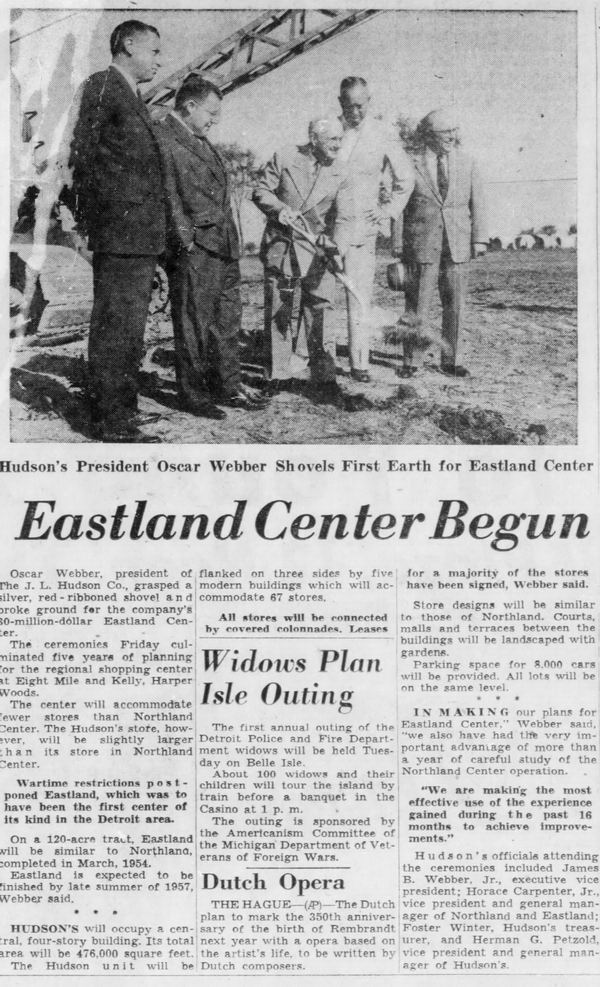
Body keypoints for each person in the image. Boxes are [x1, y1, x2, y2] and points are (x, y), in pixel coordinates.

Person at [70, 19, 166, 442]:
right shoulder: (104, 85)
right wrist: (97, 220)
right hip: (120, 231)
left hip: (137, 234)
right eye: (154, 51)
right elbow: (84, 155)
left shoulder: (129, 94)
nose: (158, 61)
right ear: (128, 44)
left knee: (130, 326)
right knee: (116, 326)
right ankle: (108, 421)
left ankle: (122, 411)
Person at [157, 75, 264, 418]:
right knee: (193, 324)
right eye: (211, 112)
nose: (215, 120)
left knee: (227, 321)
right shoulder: (164, 136)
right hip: (196, 246)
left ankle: (228, 385)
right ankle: (193, 394)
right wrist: (183, 241)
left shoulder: (201, 140)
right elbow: (168, 193)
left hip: (223, 244)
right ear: (189, 106)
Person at [252, 116, 354, 403]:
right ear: (314, 138)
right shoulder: (285, 157)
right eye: (332, 139)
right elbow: (261, 190)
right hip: (282, 246)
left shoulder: (342, 172)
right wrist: (279, 209)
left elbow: (345, 218)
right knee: (280, 309)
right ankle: (277, 375)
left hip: (319, 250)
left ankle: (324, 378)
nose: (338, 144)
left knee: (321, 310)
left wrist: (336, 247)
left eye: (340, 139)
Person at [394, 107, 488, 378]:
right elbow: (400, 206)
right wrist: (398, 245)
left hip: (456, 244)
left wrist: (479, 239)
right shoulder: (412, 163)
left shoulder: (468, 162)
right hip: (421, 244)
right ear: (429, 135)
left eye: (454, 131)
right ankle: (412, 361)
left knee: (455, 303)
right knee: (417, 304)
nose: (452, 136)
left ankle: (452, 360)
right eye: (445, 132)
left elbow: (478, 203)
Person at [337, 76, 414, 382]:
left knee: (358, 297)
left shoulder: (382, 133)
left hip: (360, 228)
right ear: (339, 102)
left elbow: (405, 179)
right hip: (324, 228)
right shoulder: (330, 129)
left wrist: (386, 213)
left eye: (360, 105)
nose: (354, 112)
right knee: (316, 298)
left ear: (369, 101)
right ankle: (313, 362)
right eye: (348, 105)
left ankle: (360, 364)